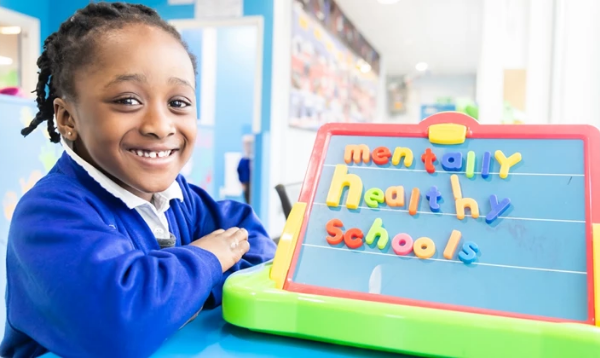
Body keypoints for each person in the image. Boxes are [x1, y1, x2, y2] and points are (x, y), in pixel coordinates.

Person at [0, 3, 276, 357]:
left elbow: (258, 247)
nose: (160, 125)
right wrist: (208, 258)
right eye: (128, 100)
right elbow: (121, 325)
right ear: (68, 117)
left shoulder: (179, 197)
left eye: (178, 102)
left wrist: (179, 291)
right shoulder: (48, 215)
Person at [237, 134, 253, 204]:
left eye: (249, 144)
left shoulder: (254, 160)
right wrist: (242, 183)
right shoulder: (243, 160)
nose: (247, 146)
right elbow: (239, 170)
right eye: (246, 144)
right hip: (246, 184)